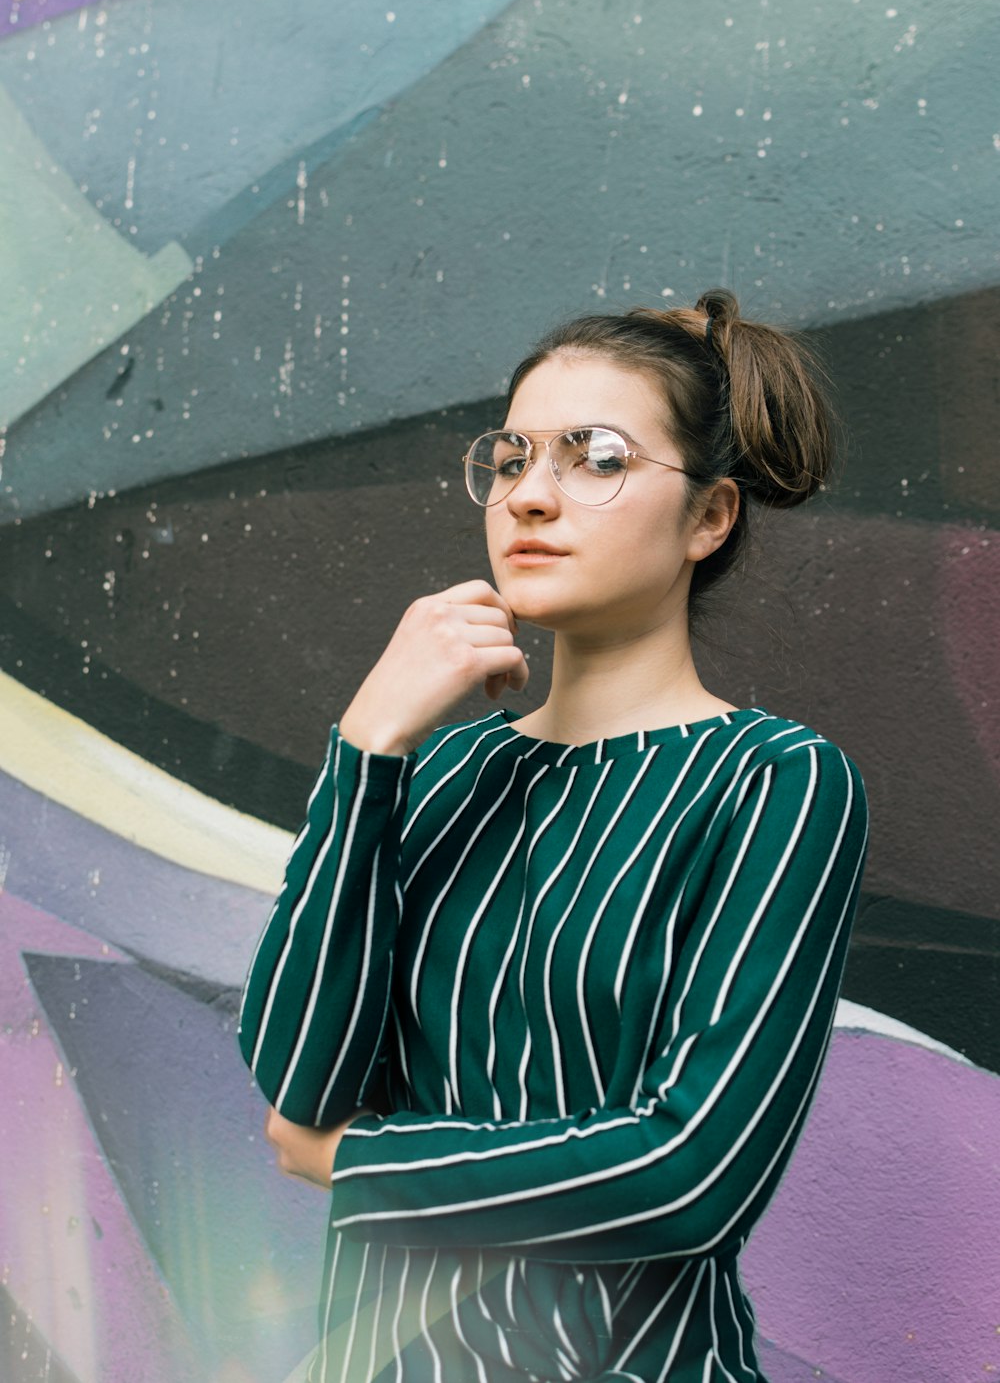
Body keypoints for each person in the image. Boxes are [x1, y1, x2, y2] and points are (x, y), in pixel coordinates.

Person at [238, 288, 869, 1383]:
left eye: (597, 458)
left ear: (710, 517)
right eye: (513, 458)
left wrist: (361, 1164)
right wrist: (368, 745)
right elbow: (299, 1086)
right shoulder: (438, 770)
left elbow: (691, 1175)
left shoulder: (773, 784)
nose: (532, 496)